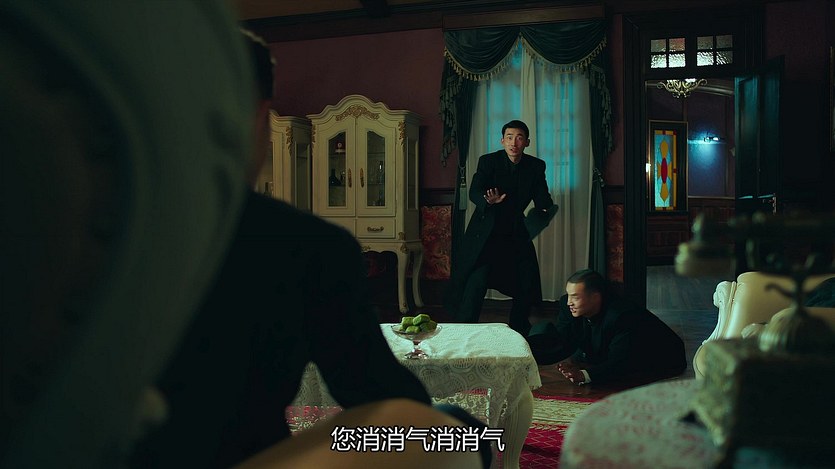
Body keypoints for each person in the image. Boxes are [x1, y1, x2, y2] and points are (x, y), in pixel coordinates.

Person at [129, 31, 489, 469]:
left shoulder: (86, 232)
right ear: (258, 116)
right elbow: (385, 399)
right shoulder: (306, 247)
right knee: (460, 430)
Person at [445, 120, 556, 335]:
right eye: (509, 137)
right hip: (486, 231)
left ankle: (519, 328)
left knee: (525, 277)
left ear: (527, 142)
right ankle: (464, 328)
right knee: (477, 279)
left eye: (519, 138)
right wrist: (488, 200)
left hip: (515, 230)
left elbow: (542, 199)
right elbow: (475, 191)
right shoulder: (488, 161)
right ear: (502, 141)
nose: (514, 143)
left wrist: (545, 207)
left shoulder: (535, 166)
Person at [526, 269, 687, 385]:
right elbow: (562, 341)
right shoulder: (568, 305)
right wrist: (527, 355)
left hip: (660, 359)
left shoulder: (622, 315)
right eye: (568, 295)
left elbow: (620, 363)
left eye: (575, 297)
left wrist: (583, 375)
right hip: (614, 352)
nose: (569, 302)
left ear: (595, 297)